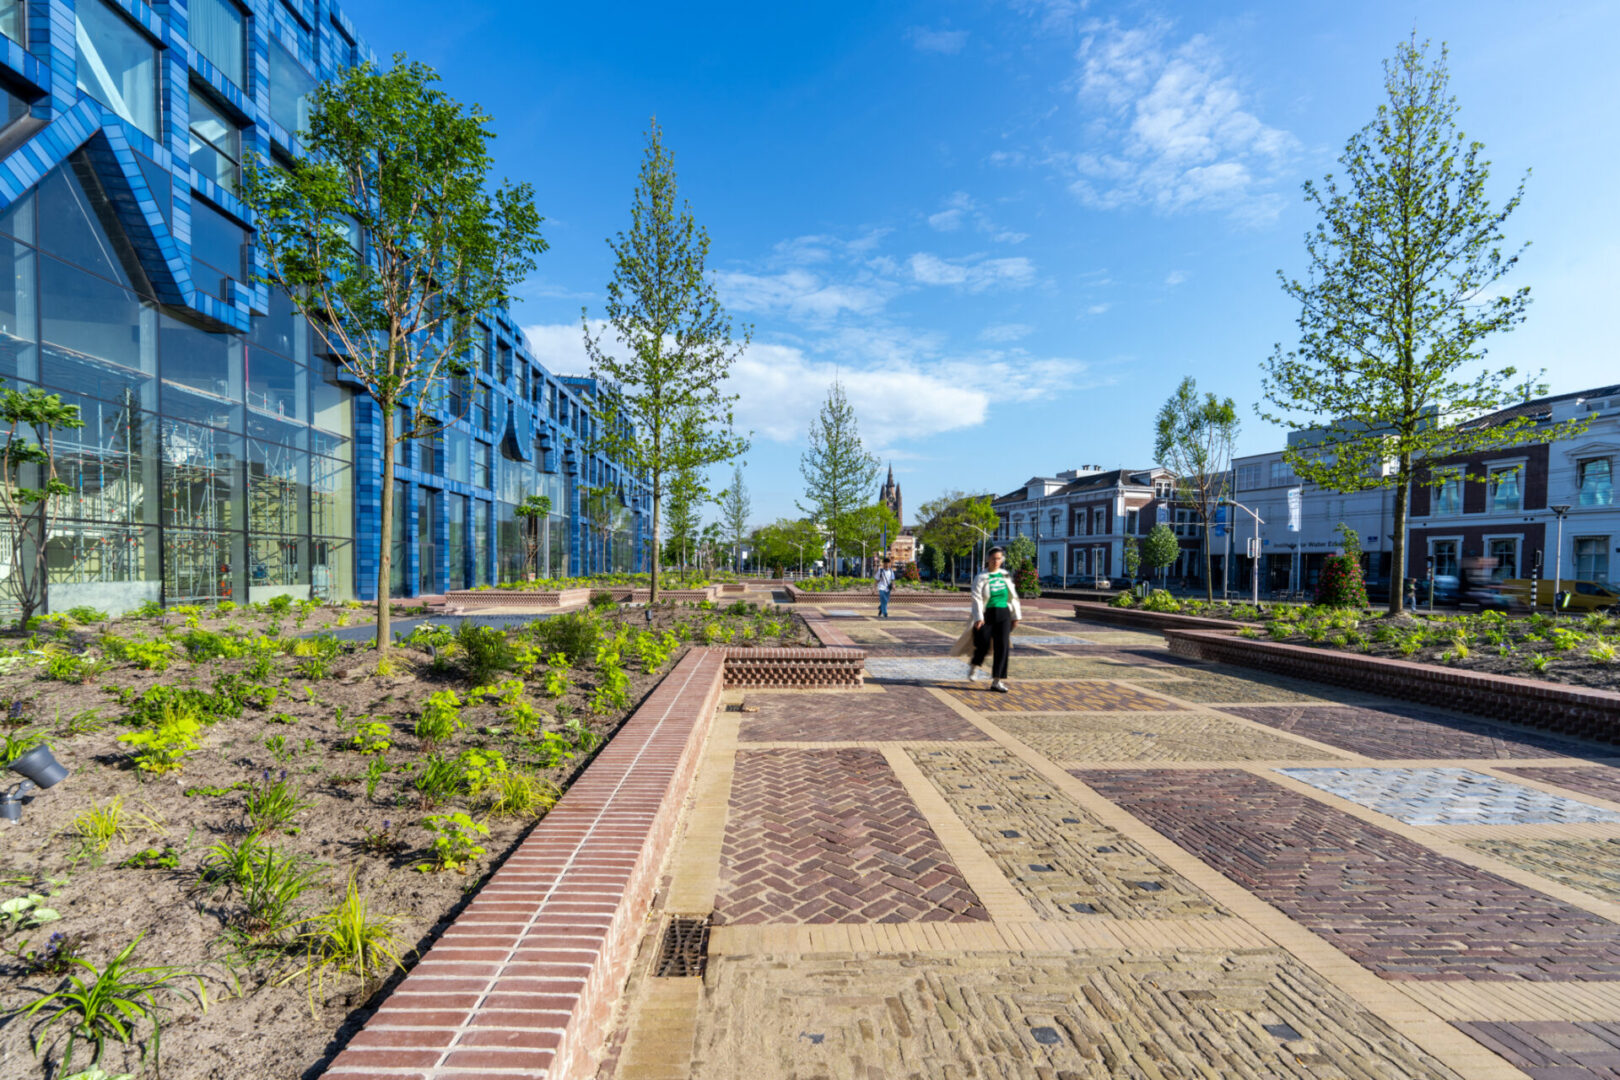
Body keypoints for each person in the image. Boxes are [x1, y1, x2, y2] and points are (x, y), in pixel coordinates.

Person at [967, 546, 1021, 692]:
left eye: (999, 558)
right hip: (986, 614)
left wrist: (1016, 616)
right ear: (987, 560)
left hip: (1003, 613)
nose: (996, 561)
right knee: (983, 644)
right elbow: (976, 598)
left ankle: (997, 681)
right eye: (993, 559)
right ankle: (974, 666)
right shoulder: (981, 577)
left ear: (1002, 560)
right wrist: (979, 617)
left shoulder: (1005, 575)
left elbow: (1013, 596)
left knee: (1002, 647)